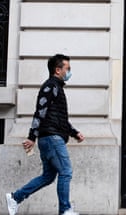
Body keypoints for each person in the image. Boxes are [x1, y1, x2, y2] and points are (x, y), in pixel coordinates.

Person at [6, 54, 85, 215]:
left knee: (48, 177)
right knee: (66, 172)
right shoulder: (50, 87)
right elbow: (40, 112)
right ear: (58, 70)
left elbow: (60, 119)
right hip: (51, 138)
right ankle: (65, 210)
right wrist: (31, 137)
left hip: (51, 137)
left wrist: (74, 133)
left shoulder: (57, 87)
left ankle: (15, 197)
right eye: (67, 68)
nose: (69, 71)